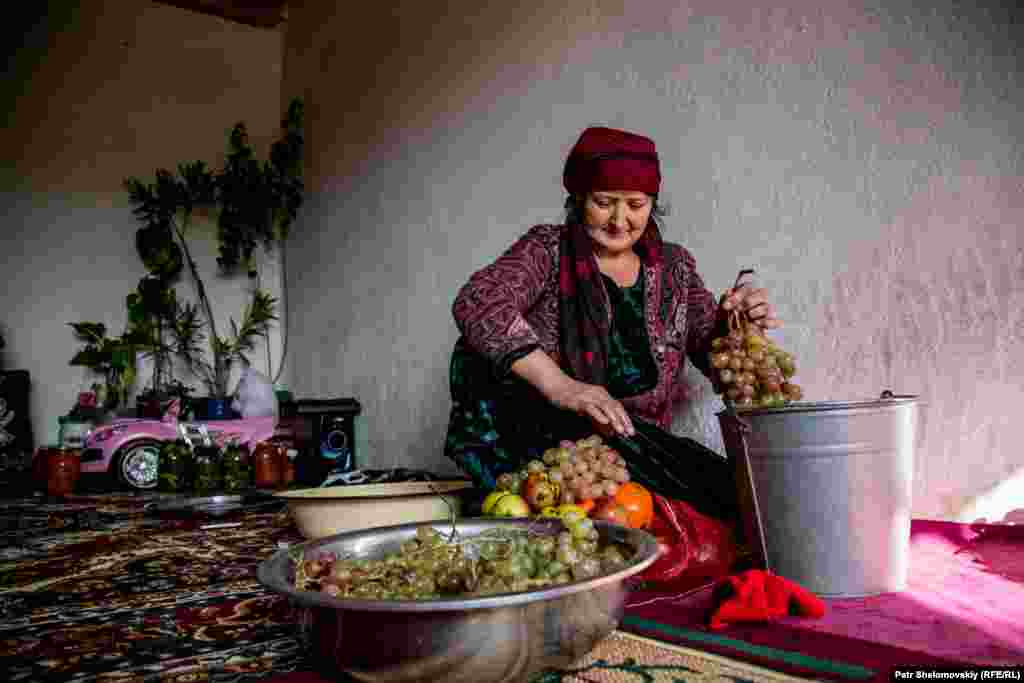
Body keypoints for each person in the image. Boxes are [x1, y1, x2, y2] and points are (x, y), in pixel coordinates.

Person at [443, 126, 781, 522]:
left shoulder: (676, 269)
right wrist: (563, 387)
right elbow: (479, 302)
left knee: (733, 499)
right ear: (579, 199)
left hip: (631, 444)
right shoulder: (547, 252)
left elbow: (718, 359)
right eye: (604, 202)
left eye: (636, 205)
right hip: (545, 443)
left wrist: (742, 327)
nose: (620, 220)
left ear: (653, 204)